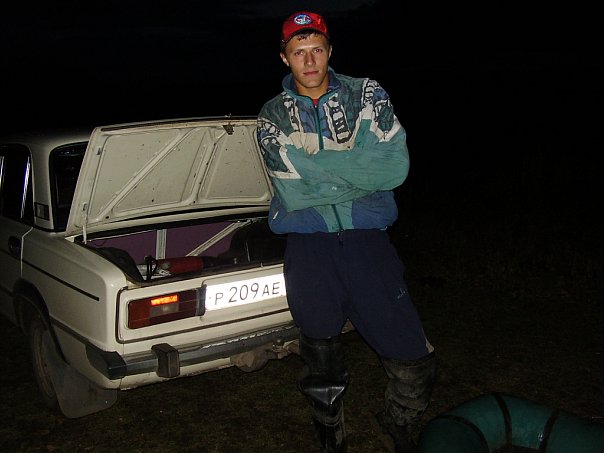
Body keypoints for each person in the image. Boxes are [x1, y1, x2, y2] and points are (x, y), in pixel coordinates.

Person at [256, 11, 436, 453]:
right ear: (284, 58)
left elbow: (394, 167)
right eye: (299, 52)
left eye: (317, 49)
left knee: (410, 350)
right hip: (309, 248)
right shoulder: (272, 116)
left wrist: (314, 167)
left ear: (330, 51)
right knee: (320, 352)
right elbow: (291, 190)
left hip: (367, 242)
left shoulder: (367, 94)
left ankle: (399, 420)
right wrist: (358, 168)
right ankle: (330, 436)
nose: (309, 60)